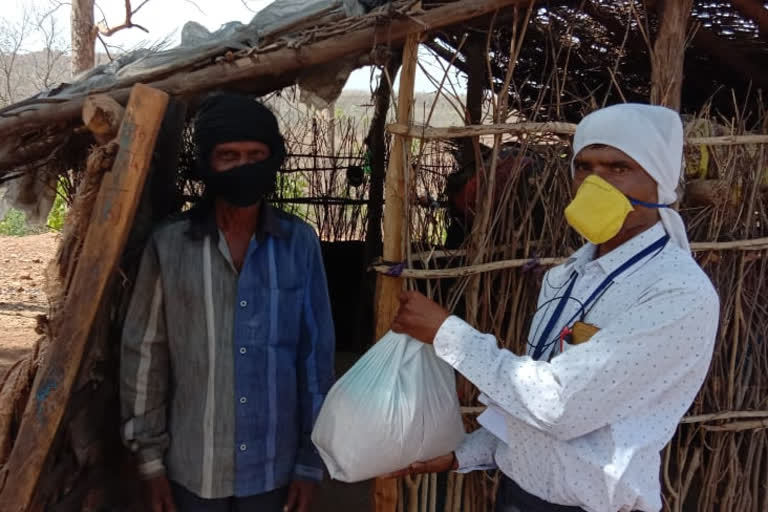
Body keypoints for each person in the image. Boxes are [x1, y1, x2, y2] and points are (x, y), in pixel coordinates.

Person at [388, 103, 719, 512]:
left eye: (618, 168)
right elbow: (530, 396)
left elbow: (558, 405)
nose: (596, 182)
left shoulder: (676, 293)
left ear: (660, 183)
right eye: (585, 167)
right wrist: (469, 452)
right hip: (517, 495)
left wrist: (447, 334)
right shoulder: (565, 277)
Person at [120, 93, 335, 512]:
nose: (244, 166)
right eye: (229, 155)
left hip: (274, 466)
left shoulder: (299, 244)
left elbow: (315, 358)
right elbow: (145, 353)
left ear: (274, 160)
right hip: (193, 468)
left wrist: (311, 463)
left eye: (256, 154)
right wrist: (150, 463)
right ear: (206, 164)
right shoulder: (170, 245)